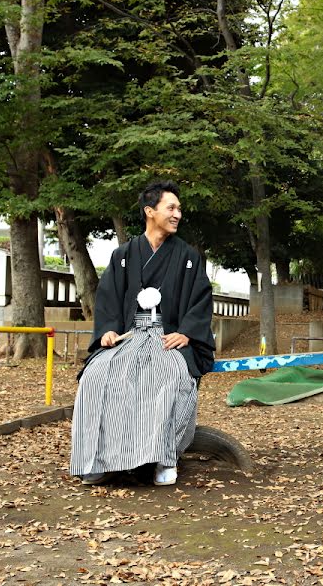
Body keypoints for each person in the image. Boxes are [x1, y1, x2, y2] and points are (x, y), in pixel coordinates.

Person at [70, 180, 215, 487]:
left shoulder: (188, 256)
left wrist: (188, 332)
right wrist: (108, 330)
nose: (177, 214)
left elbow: (201, 298)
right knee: (96, 376)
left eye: (179, 209)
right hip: (129, 335)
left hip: (167, 335)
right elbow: (107, 297)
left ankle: (164, 458)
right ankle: (97, 459)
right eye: (171, 208)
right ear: (150, 211)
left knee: (168, 376)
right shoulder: (123, 254)